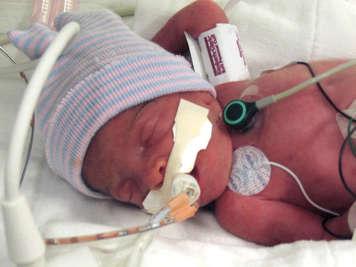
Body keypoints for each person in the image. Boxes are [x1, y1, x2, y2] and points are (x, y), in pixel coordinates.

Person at [8, 0, 356, 246]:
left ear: (190, 91)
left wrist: (151, 58)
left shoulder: (232, 85)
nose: (151, 174)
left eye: (148, 135)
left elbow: (202, 12)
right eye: (129, 190)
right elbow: (331, 233)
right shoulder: (241, 209)